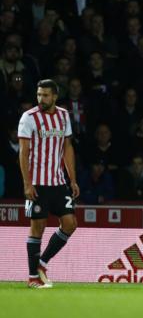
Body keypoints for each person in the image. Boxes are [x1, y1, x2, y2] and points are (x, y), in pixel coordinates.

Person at [18, 79, 79, 288]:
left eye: (45, 95)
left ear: (54, 96)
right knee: (38, 227)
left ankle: (41, 264)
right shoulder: (29, 118)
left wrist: (72, 179)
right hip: (37, 182)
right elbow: (23, 152)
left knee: (70, 223)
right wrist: (27, 184)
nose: (41, 99)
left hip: (58, 182)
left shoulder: (63, 116)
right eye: (39, 95)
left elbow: (67, 147)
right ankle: (33, 278)